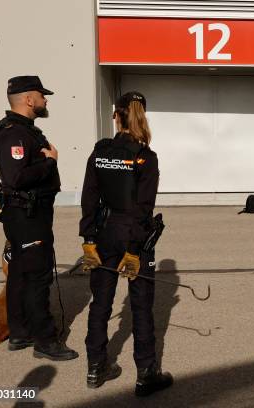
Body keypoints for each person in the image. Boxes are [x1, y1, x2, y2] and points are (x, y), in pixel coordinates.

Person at [79, 91, 173, 396]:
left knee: (101, 303)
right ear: (141, 115)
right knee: (142, 306)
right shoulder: (147, 157)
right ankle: (146, 373)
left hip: (104, 233)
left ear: (116, 116)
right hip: (135, 236)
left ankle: (96, 367)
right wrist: (134, 249)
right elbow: (143, 209)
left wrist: (89, 238)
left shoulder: (100, 152)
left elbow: (89, 199)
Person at [0, 76, 78, 360]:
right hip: (27, 216)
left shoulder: (24, 131)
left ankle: (19, 332)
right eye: (42, 95)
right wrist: (51, 161)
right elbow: (16, 178)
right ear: (29, 99)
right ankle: (45, 340)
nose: (46, 100)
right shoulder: (15, 133)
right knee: (37, 276)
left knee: (19, 272)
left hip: (27, 214)